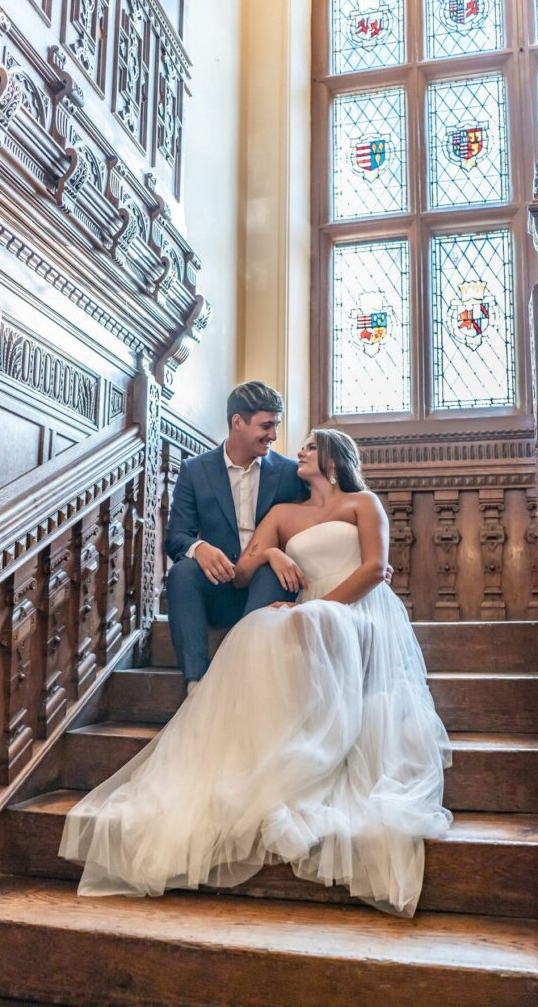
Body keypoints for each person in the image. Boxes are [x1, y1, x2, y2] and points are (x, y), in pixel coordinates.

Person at [59, 428, 453, 916]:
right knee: (256, 627)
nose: (300, 452)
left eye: (310, 446)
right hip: (308, 614)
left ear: (333, 457)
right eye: (302, 445)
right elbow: (242, 574)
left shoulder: (363, 503)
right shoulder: (284, 514)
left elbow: (375, 568)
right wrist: (272, 552)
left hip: (361, 609)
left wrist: (319, 609)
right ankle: (256, 734)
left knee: (299, 619)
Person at [165, 381, 308, 694]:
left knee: (272, 569)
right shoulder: (194, 470)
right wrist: (198, 548)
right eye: (266, 426)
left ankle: (241, 672)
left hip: (267, 587)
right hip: (218, 587)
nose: (273, 435)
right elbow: (175, 536)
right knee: (181, 572)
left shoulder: (289, 473)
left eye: (276, 426)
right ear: (237, 422)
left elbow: (327, 511)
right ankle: (196, 683)